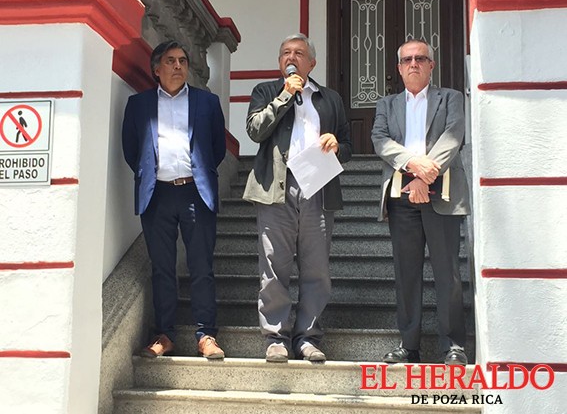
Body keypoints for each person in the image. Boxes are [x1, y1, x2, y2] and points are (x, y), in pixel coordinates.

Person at [243, 34, 352, 363]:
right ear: (280, 62)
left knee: (316, 268)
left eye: (299, 53)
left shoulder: (330, 99)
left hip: (318, 187)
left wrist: (336, 144)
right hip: (276, 188)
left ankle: (307, 337)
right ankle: (276, 337)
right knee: (274, 266)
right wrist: (285, 96)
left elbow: (348, 145)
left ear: (312, 63)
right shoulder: (266, 91)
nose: (291, 58)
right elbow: (255, 130)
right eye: (286, 53)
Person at [122, 40, 226, 359]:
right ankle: (164, 335)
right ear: (157, 69)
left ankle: (206, 335)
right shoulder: (138, 105)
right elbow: (131, 149)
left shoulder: (207, 102)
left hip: (196, 192)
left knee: (201, 266)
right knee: (162, 268)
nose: (178, 66)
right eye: (170, 60)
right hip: (158, 195)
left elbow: (217, 148)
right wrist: (152, 176)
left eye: (182, 60)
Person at [371, 39, 470, 365]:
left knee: (447, 273)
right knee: (407, 274)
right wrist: (412, 165)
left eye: (420, 58)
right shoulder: (386, 104)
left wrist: (424, 177)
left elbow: (454, 136)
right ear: (399, 68)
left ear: (431, 65)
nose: (413, 63)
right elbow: (380, 140)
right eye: (407, 60)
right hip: (402, 200)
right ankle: (408, 345)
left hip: (442, 196)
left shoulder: (450, 98)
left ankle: (453, 345)